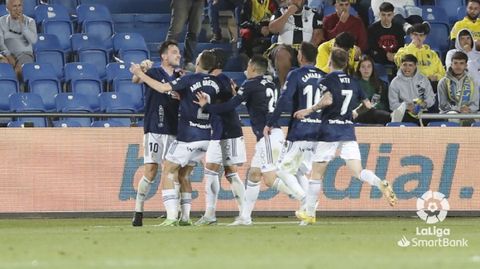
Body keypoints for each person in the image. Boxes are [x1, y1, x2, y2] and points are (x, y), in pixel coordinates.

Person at [195, 55, 303, 226]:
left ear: (252, 67)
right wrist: (238, 90)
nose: (246, 68)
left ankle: (304, 199)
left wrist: (206, 106)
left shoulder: (251, 84)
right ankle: (245, 217)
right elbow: (257, 100)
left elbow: (230, 105)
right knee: (253, 175)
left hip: (268, 136)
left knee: (269, 178)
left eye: (248, 65)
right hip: (271, 135)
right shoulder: (270, 83)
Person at [293, 47, 397, 225]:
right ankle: (380, 183)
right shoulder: (353, 81)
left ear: (330, 61)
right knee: (357, 171)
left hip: (330, 131)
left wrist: (308, 110)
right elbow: (368, 105)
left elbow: (327, 101)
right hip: (348, 130)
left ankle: (309, 213)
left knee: (316, 174)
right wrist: (354, 113)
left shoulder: (327, 79)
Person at [130, 50, 220, 226]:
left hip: (189, 135)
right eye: (174, 52)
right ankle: (185, 217)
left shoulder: (188, 79)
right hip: (206, 137)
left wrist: (139, 72)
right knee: (184, 175)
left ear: (199, 62)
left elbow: (163, 88)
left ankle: (171, 217)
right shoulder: (217, 83)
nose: (179, 55)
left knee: (168, 170)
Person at [264, 42, 325, 216]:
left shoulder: (296, 74)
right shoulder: (324, 76)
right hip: (318, 132)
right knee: (298, 170)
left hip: (300, 131)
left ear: (300, 57)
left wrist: (270, 122)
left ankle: (306, 199)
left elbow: (284, 100)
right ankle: (309, 210)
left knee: (282, 170)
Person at [131, 41, 182, 227]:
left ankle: (173, 213)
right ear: (164, 56)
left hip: (174, 129)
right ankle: (138, 210)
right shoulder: (153, 72)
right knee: (151, 172)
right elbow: (135, 80)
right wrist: (141, 69)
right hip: (154, 128)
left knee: (173, 171)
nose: (179, 55)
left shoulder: (180, 75)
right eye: (175, 52)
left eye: (179, 52)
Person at [195, 48, 247, 226]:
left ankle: (244, 214)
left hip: (228, 131)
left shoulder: (222, 80)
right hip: (220, 131)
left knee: (229, 172)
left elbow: (229, 102)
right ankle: (211, 214)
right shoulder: (216, 80)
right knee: (214, 171)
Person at [394, 22, 445, 90]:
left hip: (431, 85)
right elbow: (399, 62)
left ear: (425, 37)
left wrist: (436, 77)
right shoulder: (403, 51)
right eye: (415, 35)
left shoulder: (432, 54)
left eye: (421, 35)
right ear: (411, 35)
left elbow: (442, 74)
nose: (418, 38)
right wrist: (412, 46)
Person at [389, 54, 436, 124]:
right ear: (400, 66)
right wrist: (406, 106)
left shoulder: (423, 79)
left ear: (415, 66)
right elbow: (393, 105)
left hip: (423, 111)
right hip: (405, 113)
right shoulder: (395, 82)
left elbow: (431, 98)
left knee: (435, 117)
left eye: (410, 65)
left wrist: (425, 103)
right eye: (404, 65)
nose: (407, 68)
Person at [437, 51, 479, 125]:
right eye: (455, 63)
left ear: (466, 65)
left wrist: (469, 109)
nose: (458, 66)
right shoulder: (443, 82)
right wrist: (458, 109)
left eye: (461, 63)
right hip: (449, 113)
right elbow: (443, 105)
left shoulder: (473, 81)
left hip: (469, 112)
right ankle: (455, 136)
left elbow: (475, 103)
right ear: (451, 64)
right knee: (453, 115)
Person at [0, 0, 37, 79]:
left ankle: (19, 88)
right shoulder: (1, 21)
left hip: (24, 54)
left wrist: (22, 25)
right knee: (2, 63)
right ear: (7, 8)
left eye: (19, 5)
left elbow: (33, 40)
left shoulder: (30, 21)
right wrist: (9, 56)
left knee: (21, 69)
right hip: (5, 54)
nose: (17, 9)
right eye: (14, 6)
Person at [165, 0, 204, 71]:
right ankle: (168, 61)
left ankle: (188, 61)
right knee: (176, 30)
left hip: (199, 2)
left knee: (194, 31)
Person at [353, 55, 391, 125]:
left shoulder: (381, 84)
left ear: (373, 68)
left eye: (369, 66)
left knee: (376, 113)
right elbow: (352, 103)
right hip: (359, 114)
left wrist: (376, 106)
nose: (366, 69)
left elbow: (384, 103)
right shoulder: (354, 84)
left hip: (377, 113)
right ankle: (392, 117)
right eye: (363, 66)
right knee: (376, 113)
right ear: (359, 69)